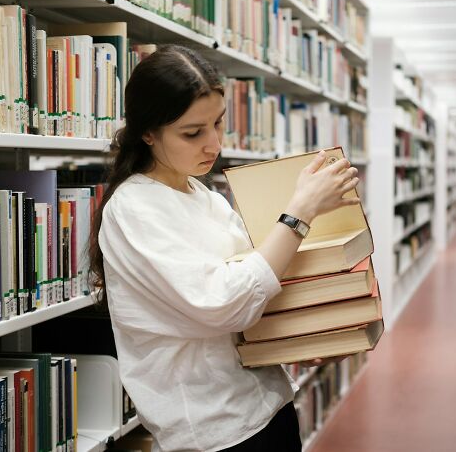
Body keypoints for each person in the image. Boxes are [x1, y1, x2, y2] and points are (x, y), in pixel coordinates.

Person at [89, 44, 360, 452]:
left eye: (219, 123)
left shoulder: (203, 195)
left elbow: (260, 281)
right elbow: (223, 303)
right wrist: (300, 211)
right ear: (147, 132)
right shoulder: (134, 210)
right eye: (193, 132)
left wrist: (306, 338)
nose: (214, 145)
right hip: (216, 432)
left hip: (267, 406)